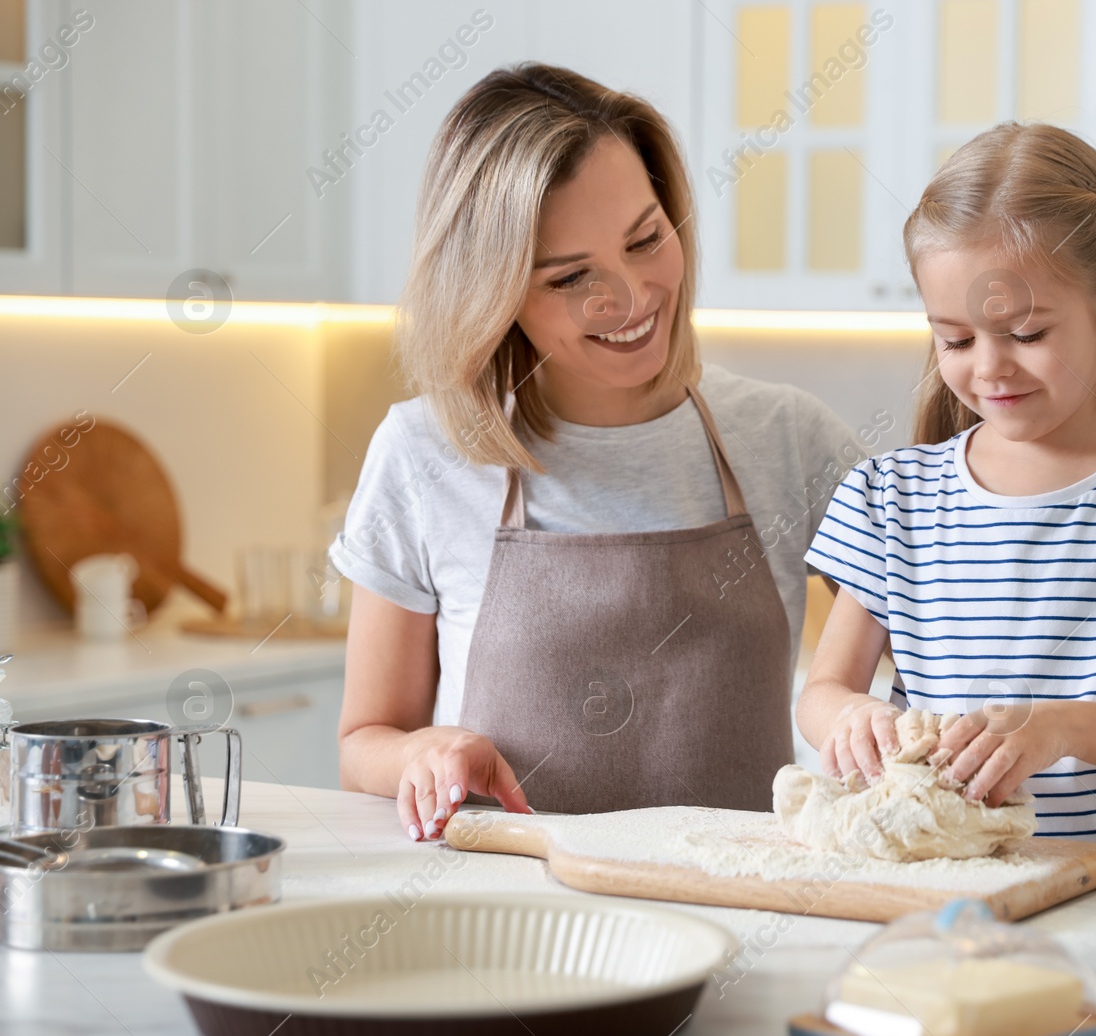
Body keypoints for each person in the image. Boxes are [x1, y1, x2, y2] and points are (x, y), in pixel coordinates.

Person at [331, 63, 864, 840]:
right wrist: (422, 751)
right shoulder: (423, 455)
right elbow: (362, 741)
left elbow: (953, 608)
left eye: (647, 239)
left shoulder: (790, 438)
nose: (629, 296)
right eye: (571, 277)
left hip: (738, 918)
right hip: (513, 931)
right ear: (496, 291)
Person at [796, 122, 1096, 877]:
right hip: (943, 907)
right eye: (953, 340)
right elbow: (824, 689)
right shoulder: (888, 498)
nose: (989, 368)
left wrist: (1057, 728)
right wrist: (853, 716)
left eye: (1025, 331)